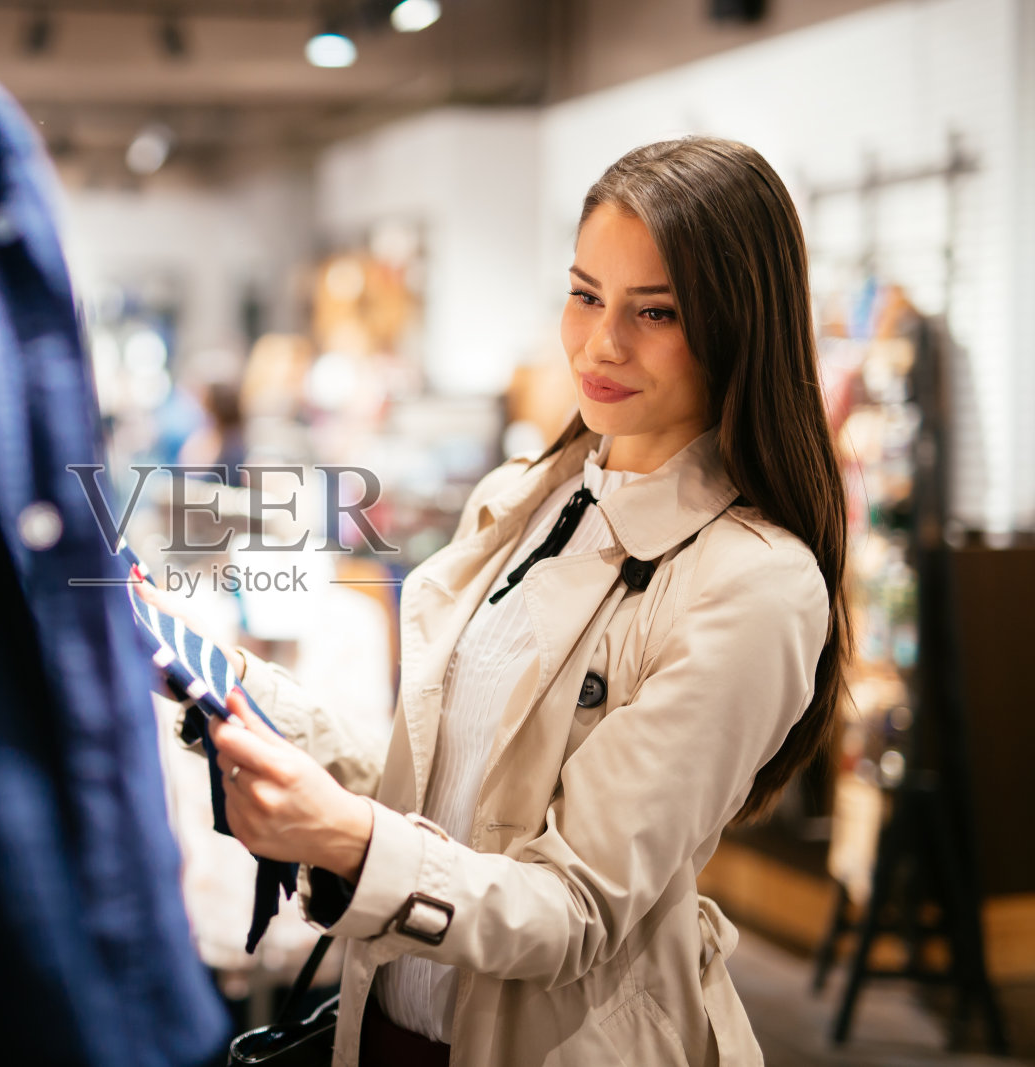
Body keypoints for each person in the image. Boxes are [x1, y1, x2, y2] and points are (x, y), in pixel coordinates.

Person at [146, 136, 848, 1067]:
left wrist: (349, 839)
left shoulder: (753, 581)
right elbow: (434, 787)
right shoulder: (527, 499)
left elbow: (573, 908)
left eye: (658, 311)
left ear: (735, 325)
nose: (601, 343)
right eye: (586, 293)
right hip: (389, 1026)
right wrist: (223, 674)